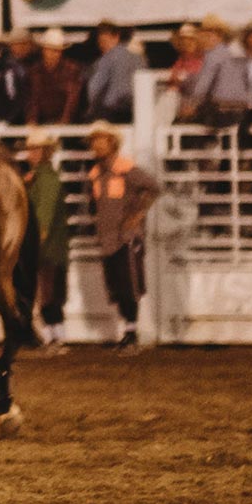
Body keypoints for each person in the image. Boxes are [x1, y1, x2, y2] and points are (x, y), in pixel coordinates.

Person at [83, 122, 159, 352]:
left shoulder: (126, 168)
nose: (97, 144)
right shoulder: (95, 173)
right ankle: (128, 331)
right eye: (94, 140)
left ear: (112, 142)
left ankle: (131, 333)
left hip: (126, 237)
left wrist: (137, 214)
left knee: (128, 286)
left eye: (102, 139)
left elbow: (153, 187)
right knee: (116, 286)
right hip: (108, 238)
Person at [23, 127, 74, 353]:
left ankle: (56, 338)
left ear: (45, 152)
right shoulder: (38, 178)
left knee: (49, 294)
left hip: (48, 249)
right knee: (48, 293)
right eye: (30, 149)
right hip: (48, 248)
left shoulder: (46, 180)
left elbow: (44, 214)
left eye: (35, 149)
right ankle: (54, 337)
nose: (31, 153)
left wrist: (37, 241)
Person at [180, 15, 250, 128]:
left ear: (219, 36)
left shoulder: (213, 55)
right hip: (243, 112)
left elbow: (202, 87)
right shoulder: (233, 53)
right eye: (204, 35)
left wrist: (191, 105)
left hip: (222, 112)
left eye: (208, 35)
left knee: (183, 122)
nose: (204, 38)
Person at [25, 29, 86, 125]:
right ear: (43, 50)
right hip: (42, 122)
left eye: (57, 51)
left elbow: (72, 99)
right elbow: (33, 99)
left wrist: (64, 122)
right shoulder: (35, 71)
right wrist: (32, 121)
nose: (54, 54)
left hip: (67, 123)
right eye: (50, 50)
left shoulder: (72, 69)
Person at [84, 19, 139, 123]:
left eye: (104, 41)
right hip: (135, 111)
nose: (102, 45)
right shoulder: (138, 58)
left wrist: (91, 110)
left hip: (112, 112)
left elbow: (94, 88)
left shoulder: (105, 59)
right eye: (100, 42)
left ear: (116, 36)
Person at [163, 23, 202, 94]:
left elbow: (197, 78)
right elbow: (173, 77)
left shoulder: (201, 56)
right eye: (182, 39)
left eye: (190, 39)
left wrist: (181, 78)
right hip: (183, 96)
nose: (185, 42)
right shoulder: (182, 58)